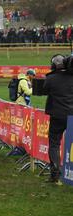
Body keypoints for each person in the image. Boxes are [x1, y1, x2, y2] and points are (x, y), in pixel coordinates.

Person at [44, 55, 73, 184]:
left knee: (54, 144)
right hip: (71, 115)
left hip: (57, 115)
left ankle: (55, 173)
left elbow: (44, 90)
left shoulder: (50, 78)